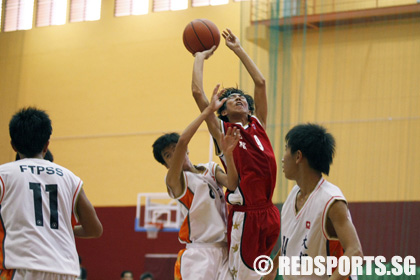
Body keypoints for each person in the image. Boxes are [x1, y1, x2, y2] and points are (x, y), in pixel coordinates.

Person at [191, 28, 280, 279]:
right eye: (231, 98)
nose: (238, 97)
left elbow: (260, 83)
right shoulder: (222, 130)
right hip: (246, 216)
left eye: (241, 96)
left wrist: (238, 49)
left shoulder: (258, 124)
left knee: (265, 274)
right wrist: (199, 57)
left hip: (270, 212)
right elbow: (198, 93)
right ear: (222, 111)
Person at [0, 107, 103, 280]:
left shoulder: (4, 174)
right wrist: (64, 228)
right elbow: (94, 229)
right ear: (47, 144)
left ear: (13, 145)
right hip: (67, 271)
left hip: (25, 269)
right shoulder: (70, 177)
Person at [263, 123, 363, 280]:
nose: (282, 158)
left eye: (286, 149)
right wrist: (274, 266)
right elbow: (292, 241)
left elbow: (355, 251)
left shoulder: (331, 200)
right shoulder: (294, 194)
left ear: (298, 156)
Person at [152, 85, 231, 280]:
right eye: (168, 156)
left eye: (174, 151)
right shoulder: (175, 181)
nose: (174, 155)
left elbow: (233, 183)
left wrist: (228, 154)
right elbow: (182, 142)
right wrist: (208, 111)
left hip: (226, 249)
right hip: (199, 254)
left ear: (188, 152)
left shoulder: (211, 169)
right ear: (166, 164)